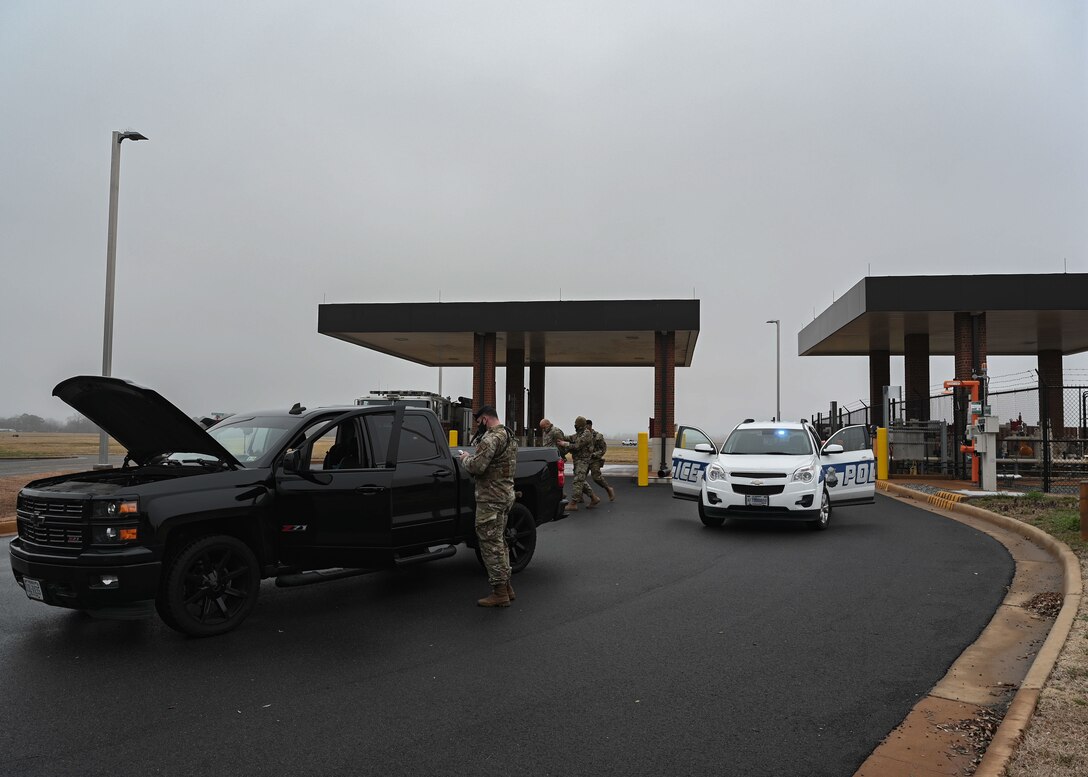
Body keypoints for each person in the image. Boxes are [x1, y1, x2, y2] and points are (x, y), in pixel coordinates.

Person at [458, 405, 518, 607]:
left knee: (489, 544)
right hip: (505, 495)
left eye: (478, 422)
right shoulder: (508, 435)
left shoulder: (491, 438)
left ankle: (499, 592)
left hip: (491, 498)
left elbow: (477, 467)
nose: (478, 427)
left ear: (484, 419)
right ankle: (507, 587)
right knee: (500, 542)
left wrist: (465, 459)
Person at [557, 416, 600, 511]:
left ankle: (573, 503)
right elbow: (571, 437)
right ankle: (594, 498)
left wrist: (564, 444)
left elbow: (577, 446)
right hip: (578, 460)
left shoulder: (586, 434)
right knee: (581, 480)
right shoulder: (580, 433)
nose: (575, 426)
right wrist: (560, 437)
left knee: (577, 481)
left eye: (576, 425)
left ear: (580, 425)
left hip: (583, 460)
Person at [585, 419, 616, 501]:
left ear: (590, 426)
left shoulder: (598, 436)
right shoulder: (582, 436)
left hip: (594, 460)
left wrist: (595, 454)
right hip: (584, 460)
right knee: (580, 479)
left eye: (586, 426)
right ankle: (579, 496)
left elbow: (603, 449)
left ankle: (608, 489)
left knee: (596, 477)